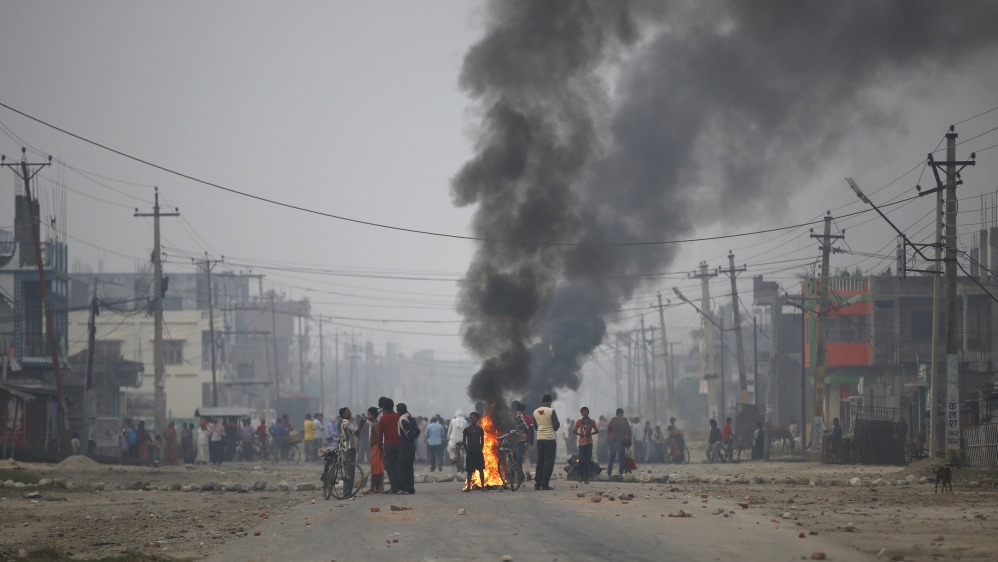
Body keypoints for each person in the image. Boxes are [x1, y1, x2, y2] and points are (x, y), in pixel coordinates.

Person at [532, 394, 560, 491]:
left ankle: (537, 484)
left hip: (540, 440)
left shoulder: (535, 412)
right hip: (549, 439)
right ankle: (545, 484)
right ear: (549, 401)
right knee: (548, 462)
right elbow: (556, 425)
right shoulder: (551, 411)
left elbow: (535, 427)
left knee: (540, 461)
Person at [339, 407, 366, 498]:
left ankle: (348, 492)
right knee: (349, 472)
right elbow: (357, 432)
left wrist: (361, 423)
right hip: (349, 448)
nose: (350, 413)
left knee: (350, 471)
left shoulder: (349, 423)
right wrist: (361, 422)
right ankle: (347, 493)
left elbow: (357, 433)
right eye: (348, 412)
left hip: (351, 448)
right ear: (343, 414)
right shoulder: (346, 423)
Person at [378, 397, 402, 494]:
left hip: (388, 445)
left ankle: (393, 487)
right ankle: (401, 486)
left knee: (389, 466)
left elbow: (380, 435)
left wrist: (380, 449)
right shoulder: (398, 416)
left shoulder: (383, 418)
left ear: (383, 407)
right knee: (399, 465)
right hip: (400, 444)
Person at [396, 403, 420, 495]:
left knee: (401, 465)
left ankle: (404, 488)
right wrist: (414, 438)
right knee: (409, 466)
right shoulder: (411, 418)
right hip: (412, 445)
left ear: (399, 411)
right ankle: (411, 488)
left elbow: (408, 434)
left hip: (405, 445)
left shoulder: (402, 420)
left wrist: (411, 438)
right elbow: (417, 431)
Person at [573, 407, 599, 484]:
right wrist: (580, 434)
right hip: (581, 443)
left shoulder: (592, 422)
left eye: (585, 411)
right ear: (581, 413)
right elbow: (574, 430)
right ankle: (581, 475)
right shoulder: (578, 421)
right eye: (583, 412)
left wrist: (590, 434)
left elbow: (597, 431)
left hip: (589, 443)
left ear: (588, 412)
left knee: (588, 461)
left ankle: (586, 478)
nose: (584, 413)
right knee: (580, 460)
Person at [462, 411, 486, 492]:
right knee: (469, 471)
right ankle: (468, 487)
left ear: (477, 419)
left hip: (478, 452)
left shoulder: (480, 429)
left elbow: (482, 441)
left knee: (481, 470)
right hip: (470, 453)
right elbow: (464, 441)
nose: (472, 419)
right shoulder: (466, 430)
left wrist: (481, 449)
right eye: (471, 417)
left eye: (474, 417)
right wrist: (467, 450)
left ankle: (483, 486)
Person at [364, 407, 385, 494]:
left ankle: (378, 487)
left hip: (377, 447)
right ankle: (374, 487)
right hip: (375, 447)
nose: (367, 416)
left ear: (372, 415)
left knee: (378, 468)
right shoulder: (373, 424)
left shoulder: (376, 424)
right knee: (376, 467)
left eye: (368, 414)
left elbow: (378, 437)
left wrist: (380, 449)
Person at [606, 408, 631, 477]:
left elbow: (608, 432)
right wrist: (628, 442)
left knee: (611, 458)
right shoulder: (624, 421)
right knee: (621, 458)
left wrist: (609, 442)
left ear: (616, 413)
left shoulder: (612, 421)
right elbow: (628, 432)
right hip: (621, 441)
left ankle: (609, 474)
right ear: (622, 413)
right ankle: (621, 474)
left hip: (613, 441)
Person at [513, 403, 531, 483]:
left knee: (516, 458)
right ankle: (521, 475)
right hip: (520, 439)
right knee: (519, 458)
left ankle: (519, 475)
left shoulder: (512, 416)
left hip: (513, 440)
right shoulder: (519, 416)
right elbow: (526, 427)